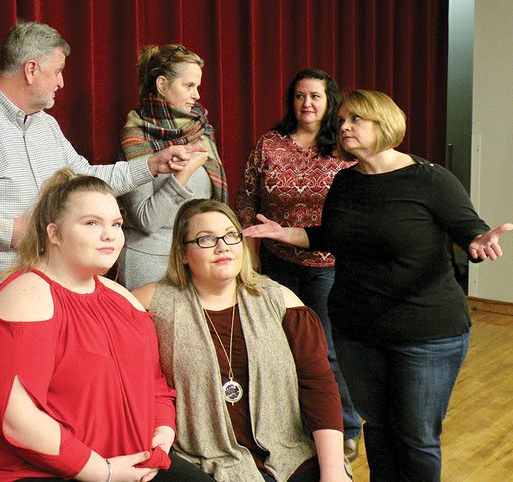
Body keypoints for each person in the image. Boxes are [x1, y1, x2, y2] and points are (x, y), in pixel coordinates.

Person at [243, 89, 513, 481]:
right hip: (358, 329)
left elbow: (468, 229)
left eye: (355, 120)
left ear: (383, 123)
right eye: (341, 122)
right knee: (379, 428)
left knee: (416, 436)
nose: (344, 127)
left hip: (425, 332)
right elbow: (331, 237)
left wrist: (477, 242)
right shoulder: (346, 183)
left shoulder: (431, 179)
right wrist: (286, 233)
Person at [0, 169, 212, 482]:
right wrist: (105, 472)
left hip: (125, 464)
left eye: (116, 224)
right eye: (91, 223)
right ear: (54, 233)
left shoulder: (123, 299)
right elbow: (17, 420)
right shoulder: (27, 295)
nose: (109, 235)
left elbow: (154, 386)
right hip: (24, 471)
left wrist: (161, 434)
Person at [0, 21, 204, 296]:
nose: (62, 82)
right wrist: (8, 231)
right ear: (31, 70)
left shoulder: (45, 125)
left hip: (52, 281)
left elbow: (86, 179)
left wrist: (153, 164)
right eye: (58, 71)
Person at [132, 199, 350, 482]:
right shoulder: (152, 303)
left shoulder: (280, 300)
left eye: (231, 235)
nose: (222, 246)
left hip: (289, 456)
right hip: (200, 460)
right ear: (183, 253)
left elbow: (318, 387)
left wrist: (333, 472)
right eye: (206, 239)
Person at [234, 69, 361, 458]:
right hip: (278, 261)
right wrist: (248, 252)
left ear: (329, 103)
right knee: (280, 343)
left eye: (316, 97)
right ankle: (293, 422)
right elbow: (246, 198)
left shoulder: (344, 146)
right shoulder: (271, 143)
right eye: (300, 96)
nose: (307, 104)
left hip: (327, 264)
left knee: (326, 346)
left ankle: (346, 426)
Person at [116, 44, 228, 290]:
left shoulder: (201, 130)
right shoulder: (136, 138)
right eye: (189, 86)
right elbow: (146, 219)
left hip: (198, 261)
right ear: (162, 85)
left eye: (197, 86)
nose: (197, 95)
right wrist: (184, 174)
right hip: (151, 264)